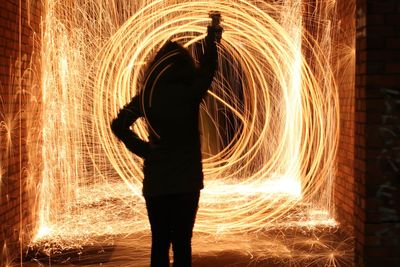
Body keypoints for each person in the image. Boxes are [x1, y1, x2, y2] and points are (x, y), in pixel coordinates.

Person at [111, 12, 223, 267]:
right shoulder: (190, 93)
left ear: (157, 67)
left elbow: (118, 125)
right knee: (183, 243)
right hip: (187, 183)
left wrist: (145, 149)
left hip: (157, 183)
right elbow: (208, 68)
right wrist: (213, 34)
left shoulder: (147, 96)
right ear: (184, 66)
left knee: (159, 242)